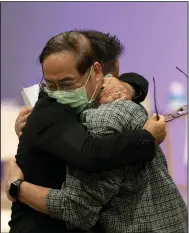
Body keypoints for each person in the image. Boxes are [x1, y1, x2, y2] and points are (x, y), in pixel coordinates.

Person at [6, 30, 166, 233]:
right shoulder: (49, 111)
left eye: (67, 84)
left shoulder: (102, 107)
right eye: (50, 85)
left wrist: (130, 86)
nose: (59, 92)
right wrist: (148, 137)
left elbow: (134, 79)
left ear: (97, 73)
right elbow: (89, 154)